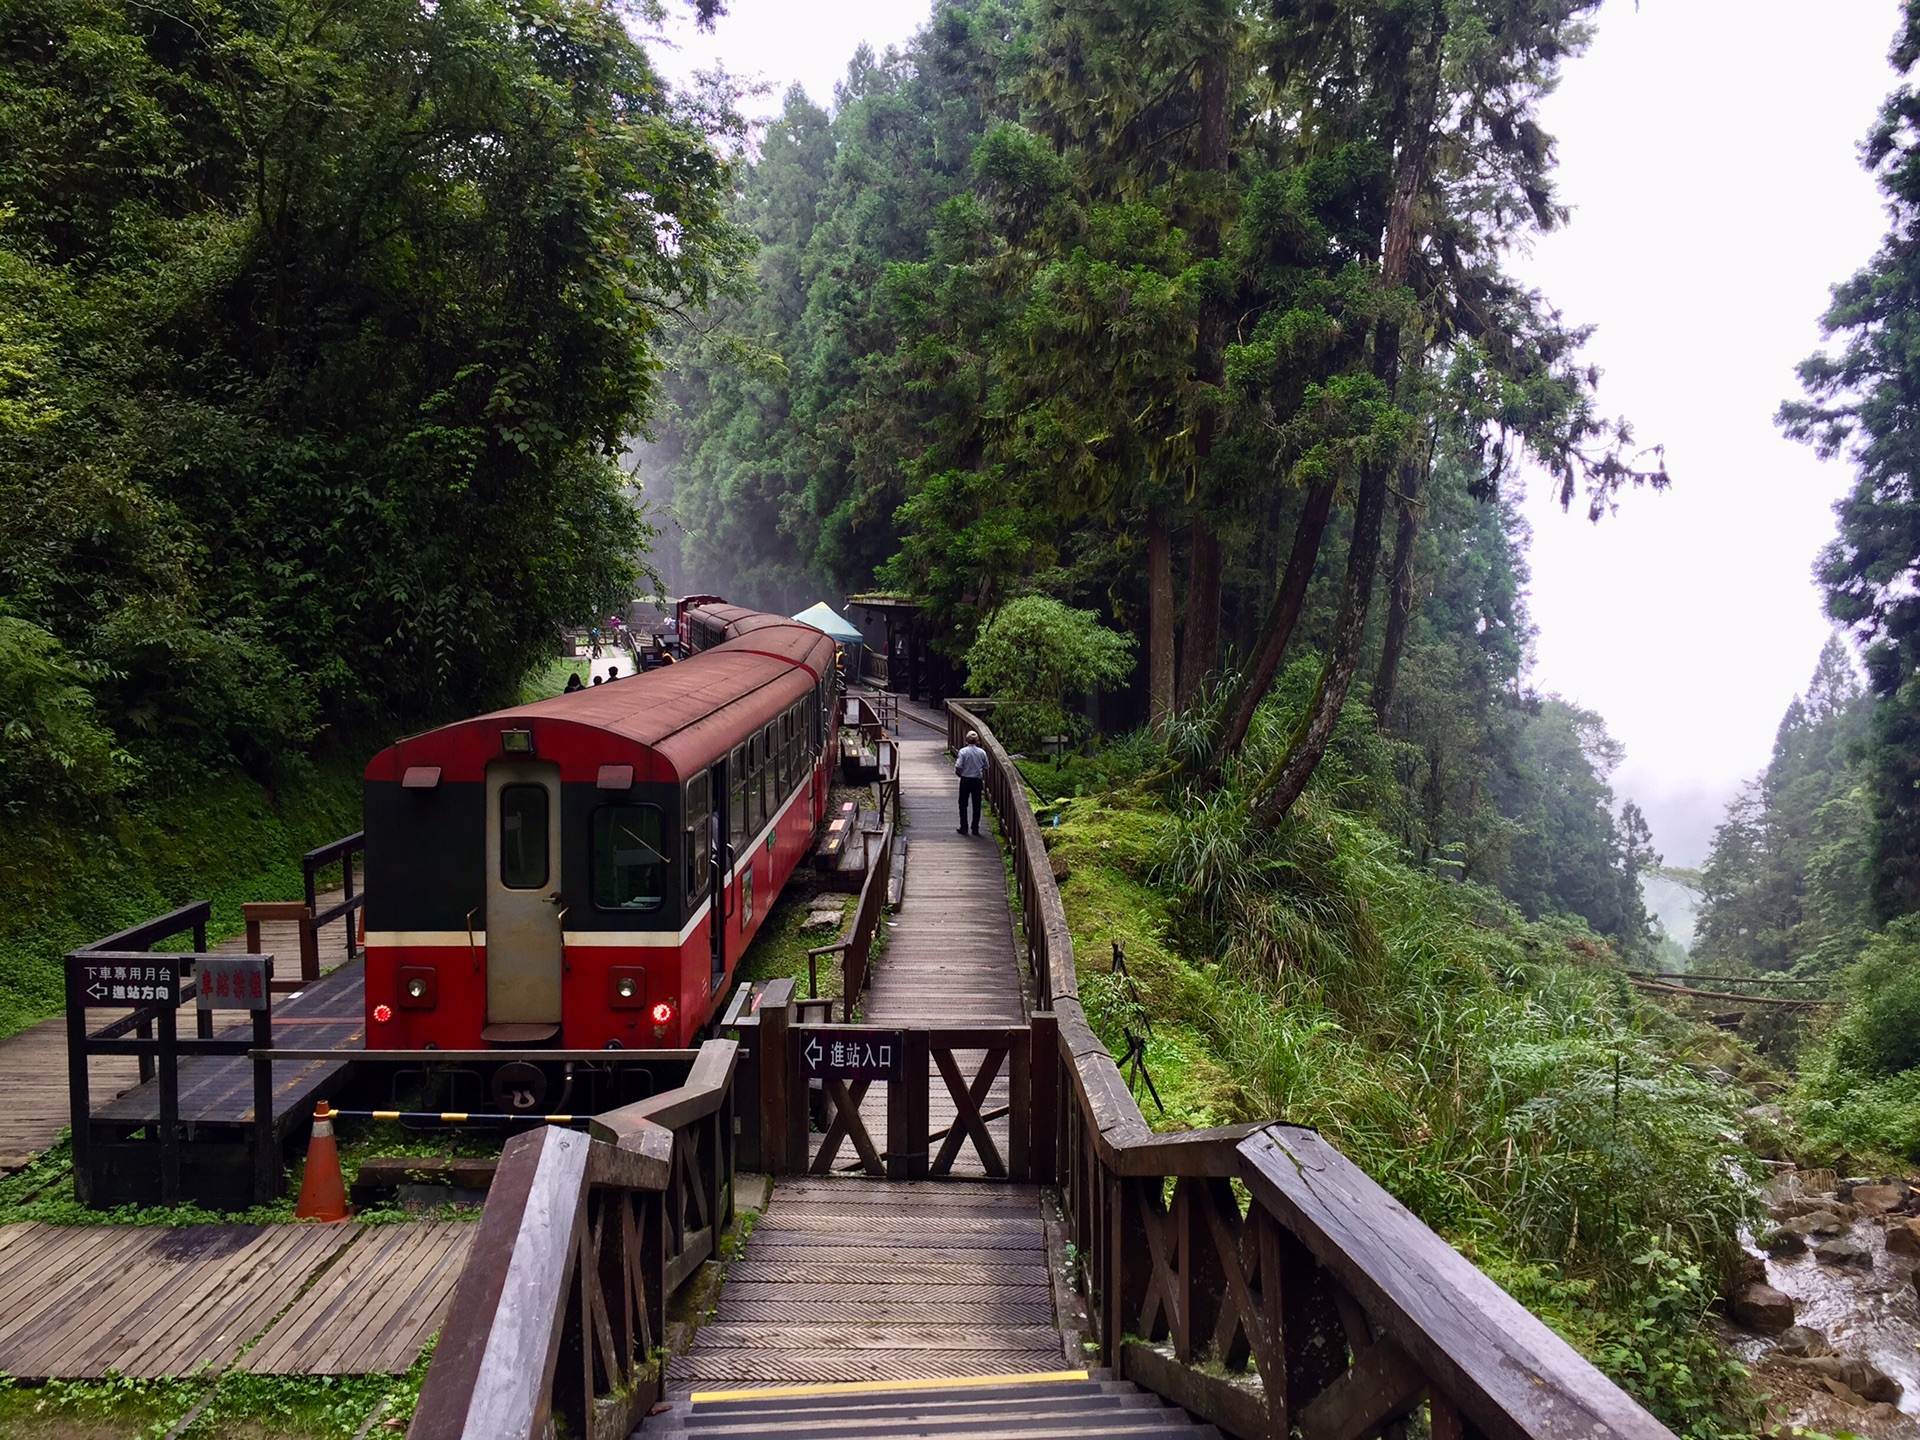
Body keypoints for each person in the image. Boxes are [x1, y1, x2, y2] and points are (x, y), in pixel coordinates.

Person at [954, 729, 988, 835]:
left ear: (966, 740)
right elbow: (986, 766)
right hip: (977, 780)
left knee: (963, 804)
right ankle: (975, 828)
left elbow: (958, 766)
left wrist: (959, 773)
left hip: (965, 779)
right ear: (977, 740)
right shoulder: (982, 752)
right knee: (976, 804)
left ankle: (964, 827)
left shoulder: (963, 751)